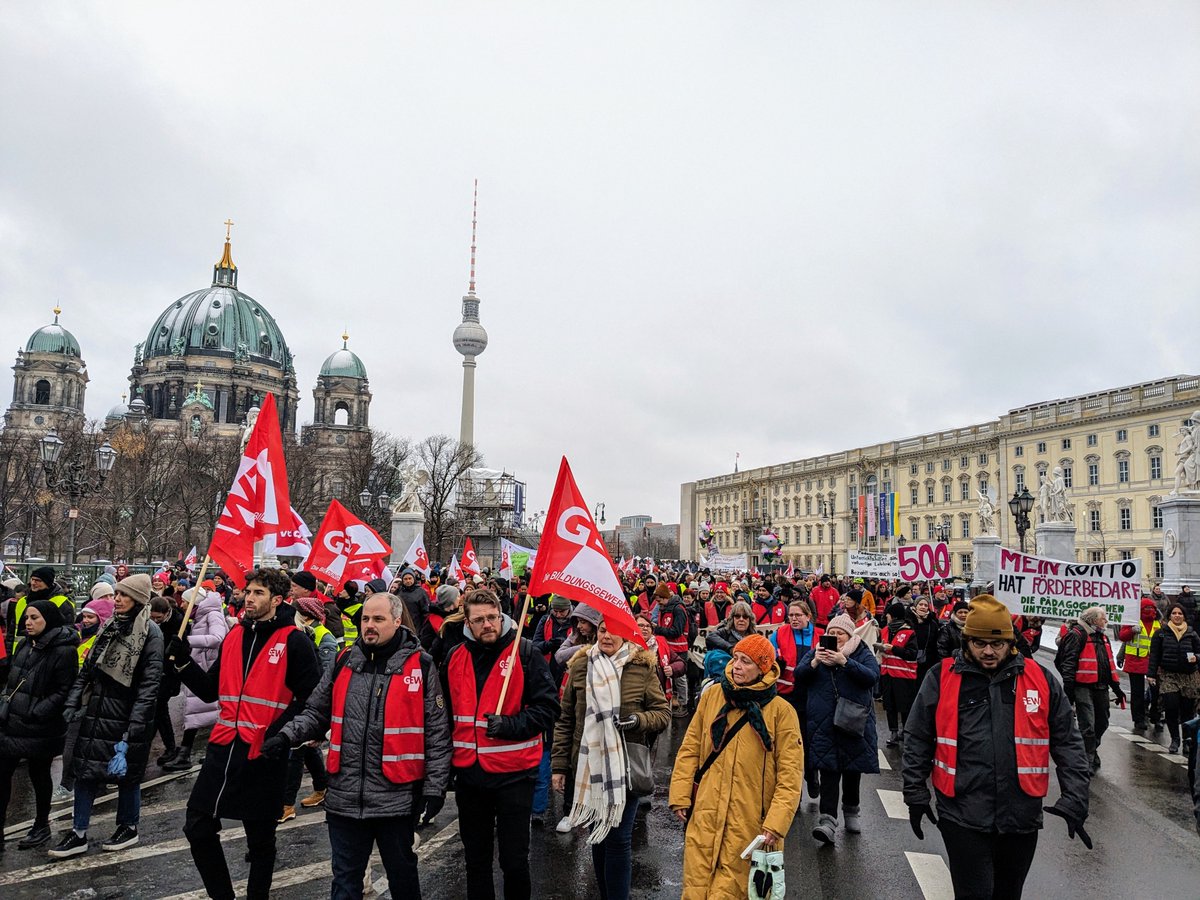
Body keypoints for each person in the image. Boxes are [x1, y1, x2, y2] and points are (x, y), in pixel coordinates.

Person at [265, 591, 451, 899]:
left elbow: (437, 734)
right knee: (345, 883)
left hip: (397, 799)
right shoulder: (344, 661)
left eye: (378, 619)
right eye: (366, 619)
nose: (370, 625)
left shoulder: (422, 665)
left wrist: (434, 789)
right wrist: (286, 736)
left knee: (403, 879)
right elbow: (315, 711)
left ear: (396, 620)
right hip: (344, 799)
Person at [903, 596, 1092, 899]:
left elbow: (1068, 742)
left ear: (1010, 642)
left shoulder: (1040, 679)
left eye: (997, 644)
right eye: (979, 644)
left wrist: (1075, 797)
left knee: (1008, 893)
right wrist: (915, 791)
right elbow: (917, 737)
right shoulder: (942, 677)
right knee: (974, 894)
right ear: (966, 641)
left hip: (1020, 815)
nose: (988, 651)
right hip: (962, 812)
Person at [166, 568, 322, 900]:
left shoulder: (295, 641)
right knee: (198, 826)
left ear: (278, 600)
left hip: (264, 753)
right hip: (223, 748)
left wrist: (280, 736)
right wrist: (182, 662)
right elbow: (210, 691)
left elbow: (313, 701)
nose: (249, 598)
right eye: (248, 592)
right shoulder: (234, 637)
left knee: (260, 841)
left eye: (258, 593)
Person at [442, 589, 560, 900]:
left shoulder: (525, 652)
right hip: (470, 777)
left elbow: (549, 710)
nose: (487, 625)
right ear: (468, 622)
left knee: (514, 862)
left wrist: (509, 725)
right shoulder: (455, 657)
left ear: (501, 616)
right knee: (476, 861)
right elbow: (444, 715)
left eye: (492, 617)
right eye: (479, 620)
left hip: (515, 776)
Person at [668, 634, 803, 899]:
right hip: (706, 813)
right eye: (736, 659)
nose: (737, 666)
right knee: (696, 886)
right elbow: (691, 747)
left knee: (733, 891)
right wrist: (681, 795)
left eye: (747, 662)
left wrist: (775, 824)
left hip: (752, 823)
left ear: (763, 668)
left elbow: (790, 775)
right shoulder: (713, 696)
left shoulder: (781, 712)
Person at [553, 619, 669, 900]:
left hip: (624, 766)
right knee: (599, 837)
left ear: (626, 633)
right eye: (603, 630)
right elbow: (566, 719)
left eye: (614, 631)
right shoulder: (581, 665)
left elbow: (662, 714)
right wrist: (558, 766)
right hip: (589, 765)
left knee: (618, 839)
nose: (607, 636)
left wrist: (637, 720)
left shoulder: (641, 667)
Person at [50, 574, 163, 859]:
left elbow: (149, 685)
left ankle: (128, 826)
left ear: (138, 600)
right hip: (97, 712)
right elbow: (87, 669)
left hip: (126, 716)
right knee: (86, 771)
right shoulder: (109, 627)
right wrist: (73, 702)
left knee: (126, 775)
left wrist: (137, 724)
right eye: (117, 595)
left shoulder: (150, 633)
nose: (118, 600)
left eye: (124, 595)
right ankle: (78, 832)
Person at [0, 600, 78, 850]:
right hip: (12, 722)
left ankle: (41, 825)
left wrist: (37, 712)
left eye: (34, 618)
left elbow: (64, 689)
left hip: (41, 726)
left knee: (40, 775)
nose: (28, 622)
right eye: (26, 618)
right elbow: (12, 681)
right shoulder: (24, 643)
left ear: (49, 619)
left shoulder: (64, 650)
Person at [797, 612, 880, 844]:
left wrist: (845, 662)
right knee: (829, 771)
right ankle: (828, 820)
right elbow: (799, 676)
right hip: (824, 723)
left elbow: (872, 676)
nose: (836, 637)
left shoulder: (861, 651)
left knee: (853, 770)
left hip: (853, 720)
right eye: (832, 633)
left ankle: (852, 810)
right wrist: (814, 662)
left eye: (840, 633)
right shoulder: (817, 652)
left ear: (849, 634)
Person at [278, 595, 338, 821]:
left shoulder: (323, 637)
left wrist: (320, 714)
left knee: (295, 754)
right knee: (307, 749)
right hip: (300, 702)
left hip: (311, 704)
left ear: (305, 615)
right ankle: (322, 787)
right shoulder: (297, 634)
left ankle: (286, 804)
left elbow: (325, 677)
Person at [164, 586, 229, 771]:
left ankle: (190, 753)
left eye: (185, 601)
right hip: (199, 667)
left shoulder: (212, 615)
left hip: (208, 669)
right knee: (197, 712)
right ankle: (193, 753)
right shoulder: (199, 616)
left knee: (201, 712)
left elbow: (218, 638)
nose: (182, 604)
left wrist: (187, 642)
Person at [1055, 606, 1125, 772]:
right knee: (1088, 725)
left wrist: (1117, 690)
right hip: (1083, 687)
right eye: (1103, 618)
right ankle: (1088, 760)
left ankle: (1090, 749)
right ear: (1093, 620)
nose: (1106, 621)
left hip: (1101, 687)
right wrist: (1069, 690)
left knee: (1103, 722)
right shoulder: (1077, 635)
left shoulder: (1102, 637)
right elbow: (1068, 664)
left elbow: (1108, 665)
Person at [770, 599, 822, 802]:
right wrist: (776, 659)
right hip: (786, 696)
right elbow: (770, 655)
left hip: (812, 696)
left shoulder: (819, 635)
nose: (793, 619)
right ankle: (794, 789)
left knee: (809, 742)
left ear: (808, 616)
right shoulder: (780, 633)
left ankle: (811, 775)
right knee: (789, 744)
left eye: (797, 615)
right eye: (790, 615)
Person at [1147, 603, 1200, 754]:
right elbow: (1154, 656)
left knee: (1187, 710)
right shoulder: (1161, 633)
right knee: (1171, 706)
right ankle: (1175, 739)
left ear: (1184, 616)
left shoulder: (1191, 633)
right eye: (1174, 613)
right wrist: (1151, 675)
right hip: (1168, 675)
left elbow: (1199, 652)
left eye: (1180, 613)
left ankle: (1186, 740)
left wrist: (1196, 657)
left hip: (1189, 676)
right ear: (1169, 615)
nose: (1177, 616)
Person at [5, 566, 74, 659]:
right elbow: (12, 632)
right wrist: (7, 657)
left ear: (48, 583)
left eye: (38, 580)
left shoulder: (61, 602)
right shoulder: (22, 601)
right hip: (19, 653)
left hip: (46, 655)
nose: (33, 583)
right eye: (32, 579)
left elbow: (66, 632)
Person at [878, 602, 920, 748]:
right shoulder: (884, 630)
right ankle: (893, 732)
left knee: (904, 706)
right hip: (887, 673)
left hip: (903, 675)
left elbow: (912, 654)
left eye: (888, 614)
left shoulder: (909, 632)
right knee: (890, 705)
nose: (886, 617)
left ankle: (906, 732)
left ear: (894, 616)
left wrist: (894, 649)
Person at [1118, 598, 1162, 732]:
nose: (1150, 611)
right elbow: (1123, 637)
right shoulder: (1133, 622)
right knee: (1137, 693)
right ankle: (1139, 719)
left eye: (1152, 608)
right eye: (1147, 608)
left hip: (1154, 662)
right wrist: (1131, 630)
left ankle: (1155, 716)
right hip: (1136, 661)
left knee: (1157, 692)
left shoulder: (1158, 623)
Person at [653, 583, 691, 714]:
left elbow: (676, 631)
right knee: (669, 675)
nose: (657, 604)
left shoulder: (678, 609)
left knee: (680, 677)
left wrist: (657, 629)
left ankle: (683, 703)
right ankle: (672, 702)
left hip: (679, 649)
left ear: (665, 598)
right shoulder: (665, 609)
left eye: (659, 600)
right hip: (667, 648)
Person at [77, 593, 115, 665]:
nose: (85, 620)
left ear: (102, 618)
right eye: (84, 617)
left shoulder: (105, 640)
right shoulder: (78, 633)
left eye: (90, 617)